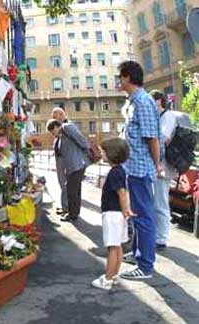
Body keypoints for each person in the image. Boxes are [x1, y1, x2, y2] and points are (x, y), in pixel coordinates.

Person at [118, 61, 161, 280]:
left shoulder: (143, 102)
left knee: (144, 217)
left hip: (141, 169)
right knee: (137, 215)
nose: (119, 80)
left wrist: (157, 166)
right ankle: (137, 255)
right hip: (133, 168)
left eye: (120, 76)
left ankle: (145, 266)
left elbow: (152, 138)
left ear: (127, 77)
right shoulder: (133, 102)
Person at [92, 137, 135, 290]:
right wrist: (125, 211)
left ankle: (108, 278)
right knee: (118, 246)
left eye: (103, 152)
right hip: (118, 214)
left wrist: (125, 209)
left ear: (112, 154)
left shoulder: (115, 173)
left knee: (112, 247)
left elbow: (121, 192)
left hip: (112, 214)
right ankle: (114, 275)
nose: (102, 154)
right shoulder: (120, 171)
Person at [47, 119, 90, 222]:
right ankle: (74, 213)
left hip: (77, 164)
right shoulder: (61, 135)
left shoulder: (67, 127)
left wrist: (86, 149)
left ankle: (72, 215)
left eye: (53, 132)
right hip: (73, 166)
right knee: (75, 190)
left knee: (71, 190)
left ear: (57, 127)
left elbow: (81, 139)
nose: (53, 135)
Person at [150, 90, 176, 250]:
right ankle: (157, 234)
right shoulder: (158, 117)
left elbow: (164, 138)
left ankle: (162, 238)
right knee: (155, 202)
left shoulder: (168, 116)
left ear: (159, 101)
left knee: (161, 203)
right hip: (156, 165)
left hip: (163, 167)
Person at [51, 107, 69, 216]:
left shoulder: (67, 127)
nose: (53, 119)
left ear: (61, 115)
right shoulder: (60, 127)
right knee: (62, 184)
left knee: (65, 185)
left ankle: (66, 208)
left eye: (54, 117)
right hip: (60, 160)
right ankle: (64, 206)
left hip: (65, 161)